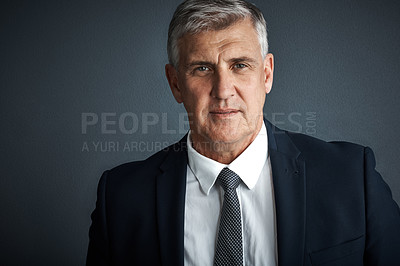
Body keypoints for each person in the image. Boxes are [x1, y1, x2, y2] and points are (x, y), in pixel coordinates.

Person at [86, 0, 400, 265]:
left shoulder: (351, 177)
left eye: (240, 66)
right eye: (202, 68)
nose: (223, 92)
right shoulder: (121, 199)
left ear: (266, 74)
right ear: (175, 83)